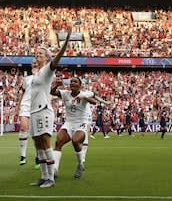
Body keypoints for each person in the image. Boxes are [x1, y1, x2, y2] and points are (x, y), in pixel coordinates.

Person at [29, 28, 71, 188]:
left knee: (45, 143)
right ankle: (44, 176)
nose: (37, 55)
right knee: (37, 144)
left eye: (40, 54)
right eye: (36, 54)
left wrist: (65, 43)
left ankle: (50, 178)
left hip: (42, 110)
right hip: (33, 111)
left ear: (46, 58)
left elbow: (57, 59)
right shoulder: (37, 73)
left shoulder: (47, 70)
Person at [51, 77, 108, 179]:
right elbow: (52, 92)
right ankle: (54, 169)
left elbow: (94, 102)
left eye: (75, 82)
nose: (72, 83)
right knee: (58, 141)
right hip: (69, 123)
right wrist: (56, 84)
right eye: (71, 81)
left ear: (80, 85)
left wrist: (84, 98)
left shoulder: (84, 94)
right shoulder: (65, 93)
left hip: (82, 122)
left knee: (76, 141)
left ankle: (80, 164)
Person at [17, 59, 39, 166]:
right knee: (23, 128)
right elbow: (23, 92)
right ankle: (23, 156)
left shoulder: (44, 77)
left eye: (36, 62)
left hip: (38, 106)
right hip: (25, 105)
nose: (34, 64)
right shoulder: (27, 79)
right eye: (33, 63)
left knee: (36, 132)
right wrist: (18, 106)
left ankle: (38, 157)